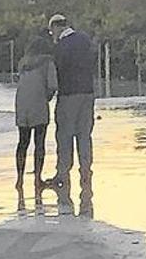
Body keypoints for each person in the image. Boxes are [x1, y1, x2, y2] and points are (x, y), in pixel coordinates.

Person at [45, 14, 96, 218]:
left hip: (68, 95)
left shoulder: (60, 47)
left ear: (56, 28)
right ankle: (86, 171)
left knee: (65, 135)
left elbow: (56, 72)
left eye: (52, 32)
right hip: (88, 93)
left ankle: (63, 173)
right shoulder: (85, 40)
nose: (52, 36)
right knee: (85, 135)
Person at [14, 35, 58, 213]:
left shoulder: (23, 63)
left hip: (21, 103)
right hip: (38, 103)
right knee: (39, 143)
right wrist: (47, 97)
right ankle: (37, 178)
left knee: (23, 142)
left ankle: (19, 178)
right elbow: (53, 84)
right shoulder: (47, 63)